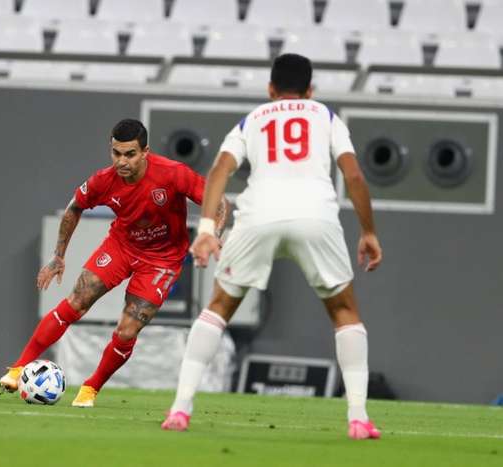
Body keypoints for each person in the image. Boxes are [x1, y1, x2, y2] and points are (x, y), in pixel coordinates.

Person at [161, 54, 383, 440]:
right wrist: (368, 232)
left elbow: (218, 172)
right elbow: (354, 175)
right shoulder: (325, 116)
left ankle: (180, 409)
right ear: (310, 90)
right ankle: (358, 418)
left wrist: (208, 229)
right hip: (316, 216)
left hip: (259, 214)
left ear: (270, 89)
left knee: (218, 308)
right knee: (345, 310)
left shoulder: (253, 119)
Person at [0, 119, 228, 407]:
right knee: (77, 300)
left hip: (163, 259)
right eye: (116, 153)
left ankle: (91, 388)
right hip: (121, 246)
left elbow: (218, 202)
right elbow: (74, 208)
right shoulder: (103, 180)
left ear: (145, 152)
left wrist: (213, 234)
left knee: (128, 329)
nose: (122, 161)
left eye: (129, 154)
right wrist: (58, 256)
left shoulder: (172, 174)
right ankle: (19, 367)